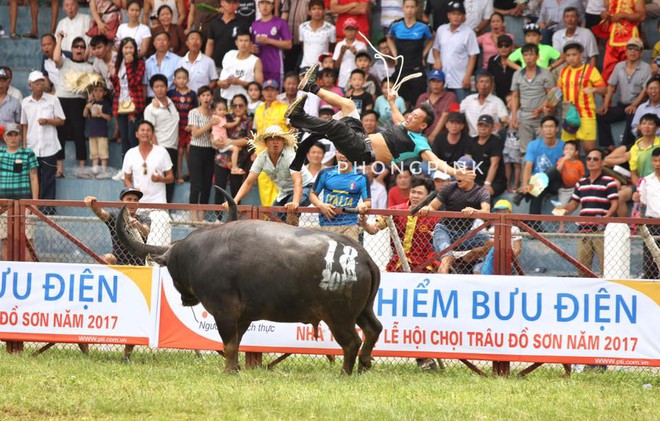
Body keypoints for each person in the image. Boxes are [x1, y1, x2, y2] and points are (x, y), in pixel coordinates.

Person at [288, 65, 464, 178]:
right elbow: (398, 118)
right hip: (360, 138)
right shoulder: (406, 125)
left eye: (415, 117)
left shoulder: (420, 142)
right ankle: (311, 86)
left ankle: (298, 117)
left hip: (362, 152)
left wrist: (456, 172)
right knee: (348, 105)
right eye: (411, 113)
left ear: (424, 125)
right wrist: (392, 102)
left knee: (336, 126)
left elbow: (435, 161)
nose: (410, 116)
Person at [419, 156, 493, 274]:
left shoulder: (481, 192)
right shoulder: (449, 187)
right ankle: (441, 287)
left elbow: (486, 211)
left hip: (464, 234)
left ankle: (464, 261)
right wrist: (427, 208)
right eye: (456, 170)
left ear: (471, 174)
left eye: (462, 171)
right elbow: (433, 206)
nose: (458, 174)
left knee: (492, 242)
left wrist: (474, 211)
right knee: (446, 258)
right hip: (444, 230)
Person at [221, 125, 314, 216]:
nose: (275, 142)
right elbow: (248, 182)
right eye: (271, 139)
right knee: (273, 217)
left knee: (291, 209)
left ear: (283, 141)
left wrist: (295, 202)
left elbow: (298, 181)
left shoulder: (290, 156)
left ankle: (292, 230)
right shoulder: (262, 158)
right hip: (285, 193)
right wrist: (235, 200)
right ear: (266, 142)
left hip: (307, 188)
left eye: (278, 138)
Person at [554, 149, 619, 277]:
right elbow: (574, 204)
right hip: (584, 229)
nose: (591, 161)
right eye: (589, 159)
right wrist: (562, 208)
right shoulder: (580, 183)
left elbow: (615, 204)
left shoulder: (609, 182)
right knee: (582, 267)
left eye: (595, 159)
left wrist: (605, 219)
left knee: (605, 266)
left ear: (602, 162)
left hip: (602, 230)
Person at [361, 176, 439, 272]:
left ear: (427, 196)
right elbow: (373, 230)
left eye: (419, 193)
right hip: (397, 264)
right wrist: (364, 223)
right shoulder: (395, 211)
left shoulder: (434, 216)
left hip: (424, 265)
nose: (415, 196)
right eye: (413, 192)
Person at [20, 71, 65, 205]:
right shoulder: (25, 102)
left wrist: (48, 121)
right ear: (30, 85)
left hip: (49, 145)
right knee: (32, 178)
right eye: (36, 82)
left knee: (48, 179)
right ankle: (33, 208)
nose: (39, 85)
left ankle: (48, 210)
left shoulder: (53, 99)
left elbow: (61, 120)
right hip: (32, 146)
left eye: (41, 82)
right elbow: (23, 125)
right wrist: (24, 146)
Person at [597, 37, 651, 149]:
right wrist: (606, 105)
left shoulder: (646, 68)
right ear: (625, 51)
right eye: (630, 49)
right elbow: (611, 86)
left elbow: (645, 90)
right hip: (622, 105)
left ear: (641, 53)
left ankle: (626, 147)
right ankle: (609, 146)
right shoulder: (619, 66)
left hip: (638, 106)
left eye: (636, 49)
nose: (632, 52)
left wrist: (634, 105)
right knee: (601, 115)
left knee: (632, 116)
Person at [53, 33, 94, 175]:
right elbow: (56, 58)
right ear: (72, 49)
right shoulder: (65, 62)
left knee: (79, 134)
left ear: (85, 50)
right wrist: (59, 39)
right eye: (76, 46)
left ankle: (82, 169)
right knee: (60, 134)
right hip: (62, 99)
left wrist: (89, 104)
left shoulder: (89, 67)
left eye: (82, 47)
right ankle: (59, 168)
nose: (79, 49)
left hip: (78, 101)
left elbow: (91, 90)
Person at [309, 151, 370, 241]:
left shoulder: (362, 177)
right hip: (327, 224)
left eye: (345, 151)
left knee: (349, 254)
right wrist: (320, 205)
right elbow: (312, 194)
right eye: (340, 152)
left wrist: (363, 205)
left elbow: (368, 201)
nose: (343, 155)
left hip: (350, 225)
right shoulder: (325, 173)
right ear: (336, 153)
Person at [558, 41, 607, 154]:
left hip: (587, 114)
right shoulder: (564, 71)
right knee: (569, 151)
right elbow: (558, 90)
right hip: (568, 114)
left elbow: (604, 89)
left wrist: (594, 89)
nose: (571, 58)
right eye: (568, 55)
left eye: (574, 54)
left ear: (581, 55)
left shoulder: (591, 70)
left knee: (590, 150)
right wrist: (548, 102)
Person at [510, 43, 557, 155]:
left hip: (542, 117)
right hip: (525, 116)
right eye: (525, 55)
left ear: (537, 56)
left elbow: (552, 96)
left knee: (543, 151)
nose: (528, 58)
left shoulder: (546, 73)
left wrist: (540, 109)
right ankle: (526, 172)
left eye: (531, 55)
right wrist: (514, 116)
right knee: (525, 151)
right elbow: (515, 96)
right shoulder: (517, 74)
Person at [84, 188, 151, 266]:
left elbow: (145, 231)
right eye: (129, 199)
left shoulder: (144, 218)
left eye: (135, 200)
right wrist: (93, 204)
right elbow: (102, 213)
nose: (132, 202)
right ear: (120, 203)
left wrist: (138, 225)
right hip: (118, 262)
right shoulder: (115, 217)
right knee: (108, 258)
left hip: (138, 263)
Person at [386, 0, 433, 108]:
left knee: (418, 102)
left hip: (417, 69)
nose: (409, 10)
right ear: (403, 8)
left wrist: (423, 54)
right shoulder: (395, 25)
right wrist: (395, 55)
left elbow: (432, 39)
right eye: (407, 7)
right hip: (401, 69)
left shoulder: (424, 26)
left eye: (412, 7)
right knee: (402, 103)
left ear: (416, 8)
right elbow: (389, 38)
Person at [431, 1, 479, 102]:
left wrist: (468, 76)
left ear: (464, 16)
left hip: (460, 81)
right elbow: (435, 48)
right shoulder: (441, 30)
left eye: (459, 14)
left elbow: (473, 56)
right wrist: (437, 59)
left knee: (460, 111)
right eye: (453, 14)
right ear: (448, 15)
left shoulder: (469, 33)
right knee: (443, 111)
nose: (456, 17)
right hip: (443, 80)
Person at [144, 74, 180, 203]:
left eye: (162, 86)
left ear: (167, 87)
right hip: (161, 148)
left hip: (173, 147)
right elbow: (149, 131)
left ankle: (167, 210)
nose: (160, 89)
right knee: (160, 181)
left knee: (170, 181)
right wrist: (157, 150)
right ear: (152, 89)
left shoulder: (171, 103)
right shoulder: (150, 108)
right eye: (156, 87)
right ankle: (159, 210)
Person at [518, 115, 565, 216]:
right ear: (541, 129)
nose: (548, 129)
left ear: (557, 129)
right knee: (537, 191)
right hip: (538, 185)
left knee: (553, 170)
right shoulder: (533, 145)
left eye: (551, 126)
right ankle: (535, 225)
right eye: (546, 126)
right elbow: (528, 166)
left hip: (555, 183)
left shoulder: (563, 146)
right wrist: (525, 184)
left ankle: (523, 195)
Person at [122, 120, 175, 204]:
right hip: (137, 203)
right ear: (136, 134)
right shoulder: (130, 153)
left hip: (158, 201)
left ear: (153, 134)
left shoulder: (162, 151)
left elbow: (171, 178)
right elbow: (126, 179)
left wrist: (160, 179)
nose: (145, 132)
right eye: (142, 130)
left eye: (148, 130)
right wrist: (133, 190)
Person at [111, 37, 147, 157]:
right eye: (126, 47)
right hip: (121, 105)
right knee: (124, 138)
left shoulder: (140, 63)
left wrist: (129, 64)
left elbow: (134, 82)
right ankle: (125, 168)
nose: (128, 50)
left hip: (134, 105)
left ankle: (135, 167)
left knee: (133, 138)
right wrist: (112, 76)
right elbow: (117, 86)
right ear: (121, 49)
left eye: (131, 47)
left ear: (135, 49)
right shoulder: (118, 63)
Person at [187, 86, 218, 221]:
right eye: (203, 95)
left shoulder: (214, 113)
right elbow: (196, 133)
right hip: (196, 149)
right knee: (196, 184)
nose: (206, 98)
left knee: (206, 185)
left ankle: (202, 216)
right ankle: (193, 216)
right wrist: (210, 124)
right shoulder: (194, 112)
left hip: (210, 150)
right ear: (199, 97)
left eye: (208, 95)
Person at [213, 94, 253, 198]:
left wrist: (231, 142)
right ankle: (218, 215)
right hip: (221, 159)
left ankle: (235, 215)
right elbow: (213, 130)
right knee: (219, 191)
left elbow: (249, 140)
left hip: (238, 161)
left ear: (246, 106)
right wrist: (213, 140)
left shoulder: (249, 121)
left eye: (241, 105)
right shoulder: (225, 117)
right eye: (235, 106)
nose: (238, 108)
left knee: (236, 193)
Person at [599, 0, 645, 83]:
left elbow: (642, 16)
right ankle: (607, 95)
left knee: (630, 73)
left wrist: (624, 15)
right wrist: (604, 14)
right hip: (613, 38)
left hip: (630, 39)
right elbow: (608, 10)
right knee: (607, 73)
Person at [251, 0, 293, 85]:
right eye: (262, 3)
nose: (265, 6)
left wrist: (268, 41)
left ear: (273, 6)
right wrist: (252, 49)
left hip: (275, 67)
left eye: (268, 3)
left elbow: (289, 44)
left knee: (275, 95)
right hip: (259, 68)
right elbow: (252, 45)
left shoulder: (280, 23)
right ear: (258, 6)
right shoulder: (255, 24)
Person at [168, 68, 198, 184]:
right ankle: (179, 174)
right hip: (177, 128)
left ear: (188, 80)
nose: (181, 80)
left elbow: (195, 111)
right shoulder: (171, 94)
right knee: (179, 151)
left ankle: (191, 174)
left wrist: (191, 125)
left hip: (189, 128)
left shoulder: (192, 94)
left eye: (184, 78)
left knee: (189, 151)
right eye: (179, 78)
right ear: (174, 80)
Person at [466, 114, 507, 198]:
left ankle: (486, 211)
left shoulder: (495, 142)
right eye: (480, 125)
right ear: (477, 126)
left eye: (486, 126)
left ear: (492, 128)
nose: (483, 128)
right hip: (476, 179)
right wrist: (468, 181)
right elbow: (467, 163)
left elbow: (494, 165)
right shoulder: (471, 141)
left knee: (485, 193)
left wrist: (487, 183)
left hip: (495, 181)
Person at [205, 0, 251, 74]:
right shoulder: (214, 23)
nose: (231, 5)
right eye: (228, 2)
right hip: (216, 66)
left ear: (238, 4)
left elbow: (247, 43)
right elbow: (210, 43)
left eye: (234, 3)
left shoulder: (243, 23)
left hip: (235, 65)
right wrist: (206, 63)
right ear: (222, 2)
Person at [217, 29, 262, 101]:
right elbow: (220, 80)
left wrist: (239, 82)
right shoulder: (229, 55)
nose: (243, 44)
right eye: (240, 40)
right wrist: (221, 83)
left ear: (251, 43)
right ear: (236, 42)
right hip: (226, 98)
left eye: (246, 41)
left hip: (245, 100)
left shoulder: (255, 61)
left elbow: (259, 85)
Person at [460, 72, 509, 137]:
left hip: (491, 139)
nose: (484, 84)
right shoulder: (469, 99)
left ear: (491, 85)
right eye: (481, 82)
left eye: (487, 82)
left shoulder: (497, 101)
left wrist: (502, 125)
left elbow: (505, 119)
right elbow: (456, 110)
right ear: (477, 85)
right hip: (472, 139)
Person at [416, 69, 457, 140]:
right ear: (429, 83)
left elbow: (445, 116)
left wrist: (432, 136)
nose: (436, 84)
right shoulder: (423, 97)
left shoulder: (450, 96)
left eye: (439, 81)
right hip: (422, 135)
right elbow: (417, 117)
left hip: (442, 137)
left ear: (444, 83)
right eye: (433, 81)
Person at [638, 147, 660, 280]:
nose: (657, 164)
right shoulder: (646, 181)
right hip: (652, 223)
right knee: (650, 261)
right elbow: (642, 202)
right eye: (655, 160)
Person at [83, 81, 113, 178]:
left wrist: (100, 114)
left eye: (100, 91)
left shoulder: (106, 104)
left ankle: (103, 170)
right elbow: (84, 115)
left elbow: (109, 117)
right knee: (94, 152)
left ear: (104, 92)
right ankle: (95, 169)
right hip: (92, 132)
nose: (98, 93)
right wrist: (86, 107)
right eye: (95, 91)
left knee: (103, 152)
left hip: (102, 132)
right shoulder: (91, 103)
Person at [299, 0, 337, 70]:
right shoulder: (302, 27)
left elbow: (331, 48)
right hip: (305, 67)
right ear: (309, 11)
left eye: (319, 8)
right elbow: (302, 45)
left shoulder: (331, 28)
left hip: (322, 68)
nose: (317, 11)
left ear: (324, 11)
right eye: (314, 9)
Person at [145, 31, 182, 99]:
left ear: (169, 43)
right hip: (151, 99)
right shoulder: (147, 62)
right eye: (158, 40)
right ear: (154, 43)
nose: (161, 42)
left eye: (164, 40)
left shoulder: (178, 60)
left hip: (171, 98)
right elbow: (144, 84)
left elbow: (180, 83)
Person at [333, 18, 367, 90]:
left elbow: (365, 64)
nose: (350, 32)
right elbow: (336, 65)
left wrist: (355, 53)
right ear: (343, 31)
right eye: (348, 29)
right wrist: (341, 53)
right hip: (343, 79)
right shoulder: (339, 45)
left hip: (358, 80)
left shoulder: (361, 45)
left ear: (357, 31)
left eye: (352, 29)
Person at [487, 35, 516, 103]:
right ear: (497, 47)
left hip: (513, 98)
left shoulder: (518, 61)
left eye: (506, 45)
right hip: (497, 97)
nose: (503, 48)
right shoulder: (492, 60)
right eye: (500, 45)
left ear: (512, 47)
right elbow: (490, 79)